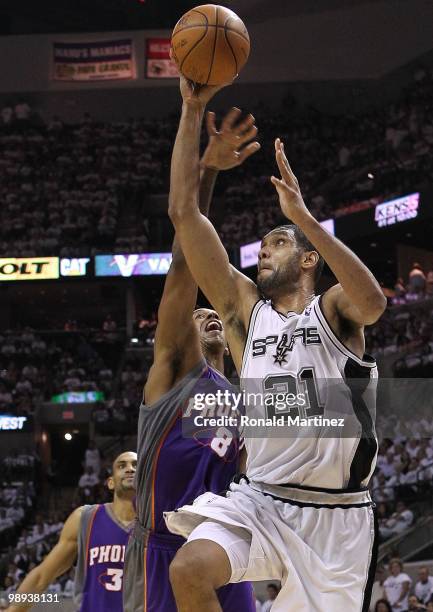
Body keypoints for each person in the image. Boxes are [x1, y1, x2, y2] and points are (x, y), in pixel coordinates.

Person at [164, 76, 386, 612]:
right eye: (262, 245)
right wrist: (192, 110)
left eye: (279, 242)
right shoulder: (245, 315)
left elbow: (374, 303)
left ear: (309, 259)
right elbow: (184, 214)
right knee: (189, 569)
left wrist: (304, 219)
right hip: (259, 501)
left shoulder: (331, 310)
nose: (264, 250)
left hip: (335, 520)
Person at [123, 107, 259, 612]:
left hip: (219, 543)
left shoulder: (247, 396)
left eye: (212, 313)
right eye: (198, 315)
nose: (208, 316)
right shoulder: (177, 369)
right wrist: (209, 173)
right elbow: (186, 261)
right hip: (159, 549)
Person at [8, 451, 136, 612]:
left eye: (136, 465)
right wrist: (14, 608)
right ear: (110, 483)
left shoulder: (159, 522)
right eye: (122, 465)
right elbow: (42, 576)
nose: (130, 469)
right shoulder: (85, 518)